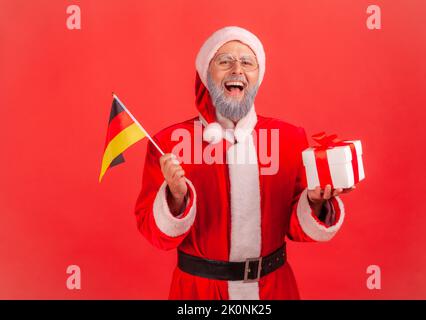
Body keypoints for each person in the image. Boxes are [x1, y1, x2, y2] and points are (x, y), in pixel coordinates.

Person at [135, 26, 354, 300]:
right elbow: (155, 235)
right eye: (224, 61)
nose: (237, 69)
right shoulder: (167, 143)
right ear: (206, 74)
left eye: (247, 62)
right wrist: (175, 199)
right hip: (199, 294)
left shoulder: (289, 138)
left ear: (257, 76)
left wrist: (316, 201)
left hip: (274, 290)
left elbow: (298, 229)